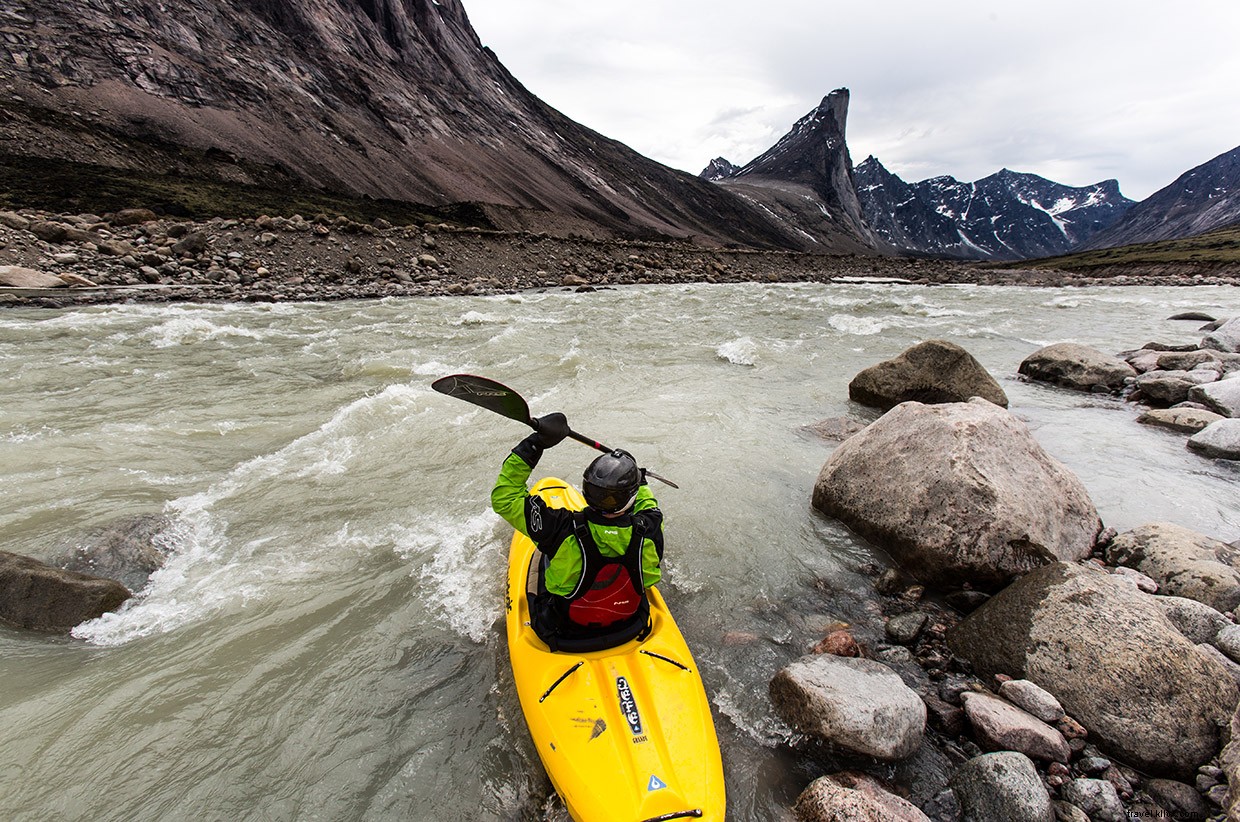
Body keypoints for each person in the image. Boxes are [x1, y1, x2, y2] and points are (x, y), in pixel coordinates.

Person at [491, 412, 664, 652]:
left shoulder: (559, 527)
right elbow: (649, 505)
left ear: (585, 492)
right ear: (632, 498)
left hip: (566, 633)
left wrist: (535, 444)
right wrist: (639, 478)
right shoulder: (651, 527)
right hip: (629, 625)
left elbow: (505, 498)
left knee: (541, 553)